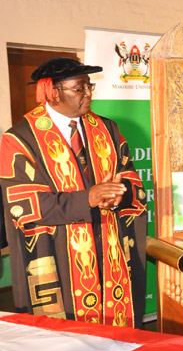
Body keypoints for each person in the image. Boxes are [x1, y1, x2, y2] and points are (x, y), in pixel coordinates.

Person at [0, 57, 148, 327]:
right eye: (80, 88)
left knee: (118, 339)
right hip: (57, 257)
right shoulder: (20, 139)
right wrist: (88, 199)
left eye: (89, 86)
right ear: (53, 93)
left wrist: (120, 195)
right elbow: (23, 206)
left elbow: (132, 180)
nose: (89, 94)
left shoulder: (108, 129)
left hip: (109, 247)